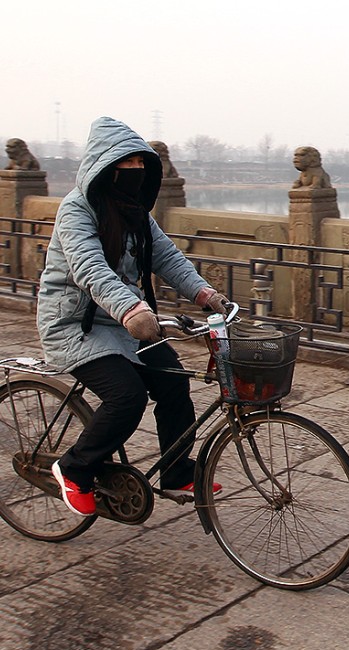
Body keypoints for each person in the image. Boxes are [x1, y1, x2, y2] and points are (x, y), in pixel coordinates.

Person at [37, 116, 229, 517]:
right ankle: (73, 469)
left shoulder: (136, 211)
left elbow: (166, 256)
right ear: (104, 169)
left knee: (175, 387)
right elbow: (90, 267)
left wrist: (204, 292)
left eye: (141, 165)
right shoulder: (77, 210)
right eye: (126, 166)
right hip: (77, 325)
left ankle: (176, 471)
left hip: (127, 322)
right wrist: (130, 308)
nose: (135, 173)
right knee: (127, 397)